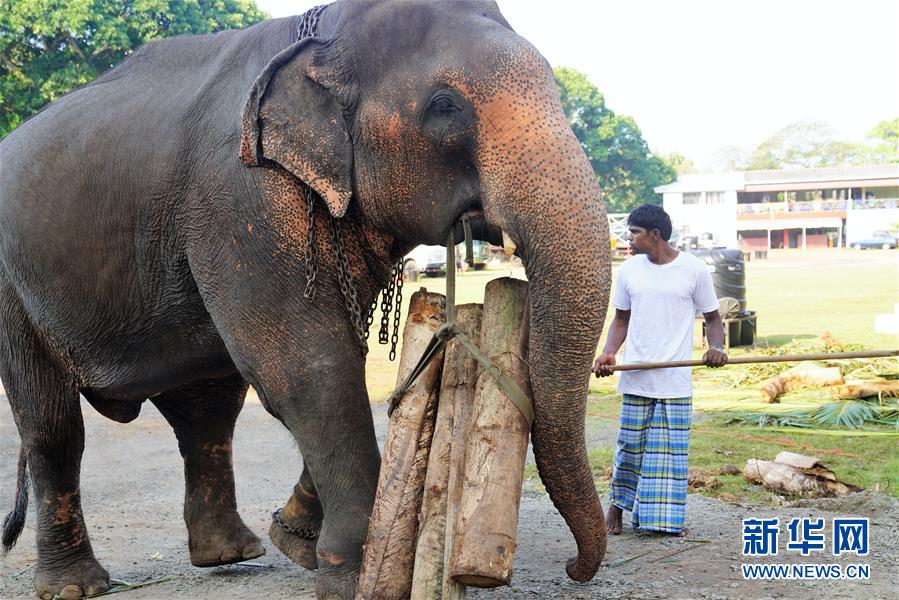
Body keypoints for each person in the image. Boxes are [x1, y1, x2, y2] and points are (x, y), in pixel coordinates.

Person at [593, 204, 727, 537]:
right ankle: (617, 508)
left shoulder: (693, 269)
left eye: (634, 232)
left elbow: (713, 319)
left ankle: (664, 521)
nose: (629, 238)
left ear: (655, 235)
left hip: (675, 380)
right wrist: (609, 353)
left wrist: (717, 348)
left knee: (670, 454)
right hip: (637, 376)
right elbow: (621, 319)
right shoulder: (629, 270)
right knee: (630, 449)